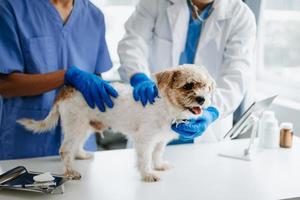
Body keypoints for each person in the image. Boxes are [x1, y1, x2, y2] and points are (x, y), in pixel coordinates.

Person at [118, 0, 256, 143]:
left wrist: (212, 112)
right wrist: (138, 76)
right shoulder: (156, 2)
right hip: (155, 109)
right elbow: (133, 42)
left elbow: (236, 75)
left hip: (205, 131)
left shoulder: (240, 15)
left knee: (197, 162)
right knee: (147, 159)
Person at [0, 0, 118, 160]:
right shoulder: (11, 8)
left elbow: (94, 79)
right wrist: (66, 76)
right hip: (27, 147)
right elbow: (5, 85)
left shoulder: (93, 16)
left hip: (80, 147)